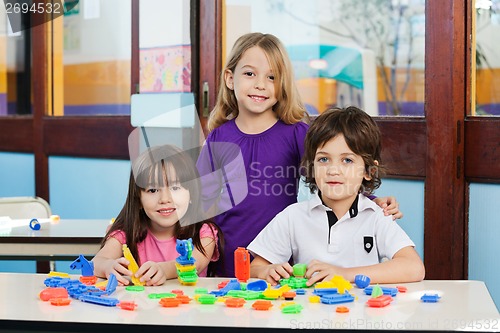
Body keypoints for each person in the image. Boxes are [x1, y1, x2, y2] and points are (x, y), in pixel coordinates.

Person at [196, 32, 401, 277]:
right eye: (250, 73)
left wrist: (373, 200)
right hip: (225, 261)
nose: (260, 84)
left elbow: (332, 174)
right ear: (230, 78)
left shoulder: (296, 133)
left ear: (282, 84)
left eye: (271, 77)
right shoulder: (219, 137)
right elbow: (200, 202)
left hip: (278, 265)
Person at [248, 106, 425, 286]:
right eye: (323, 159)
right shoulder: (293, 216)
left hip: (363, 312)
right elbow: (254, 269)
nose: (333, 170)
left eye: (347, 160)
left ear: (369, 171)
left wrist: (344, 274)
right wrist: (267, 271)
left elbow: (414, 267)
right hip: (310, 311)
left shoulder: (376, 216)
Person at [93, 144, 223, 286]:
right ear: (139, 199)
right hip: (141, 307)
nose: (165, 199)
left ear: (191, 193)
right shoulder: (125, 233)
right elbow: (97, 262)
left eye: (175, 188)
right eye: (153, 190)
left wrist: (163, 270)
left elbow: (194, 264)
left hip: (190, 306)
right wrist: (107, 266)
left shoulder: (204, 234)